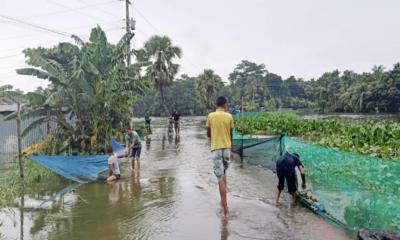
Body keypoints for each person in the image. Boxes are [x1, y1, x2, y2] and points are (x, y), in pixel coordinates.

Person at [206, 96, 234, 218]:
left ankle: (226, 209)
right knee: (224, 173)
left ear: (216, 104)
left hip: (216, 148)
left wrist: (214, 132)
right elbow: (231, 134)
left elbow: (208, 134)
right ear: (225, 104)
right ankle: (224, 200)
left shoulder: (211, 116)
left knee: (219, 178)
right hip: (227, 148)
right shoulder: (229, 116)